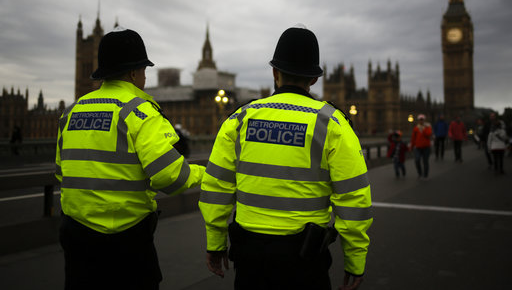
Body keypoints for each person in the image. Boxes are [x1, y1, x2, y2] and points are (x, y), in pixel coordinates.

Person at [199, 26, 372, 290]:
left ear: (274, 72)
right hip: (306, 260)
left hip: (250, 258)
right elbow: (354, 199)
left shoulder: (240, 119)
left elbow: (216, 188)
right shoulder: (333, 124)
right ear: (314, 79)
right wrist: (355, 259)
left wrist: (215, 242)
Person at [55, 27, 205, 289]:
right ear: (135, 72)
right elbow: (170, 177)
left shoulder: (72, 112)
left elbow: (61, 171)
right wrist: (205, 173)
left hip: (76, 239)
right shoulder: (139, 112)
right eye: (144, 71)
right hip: (125, 241)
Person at [410, 114, 432, 178]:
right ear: (418, 120)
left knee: (425, 161)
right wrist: (411, 147)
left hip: (426, 147)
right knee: (417, 160)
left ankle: (425, 174)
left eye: (422, 120)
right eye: (420, 120)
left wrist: (423, 129)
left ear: (424, 120)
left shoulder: (428, 127)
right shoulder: (416, 128)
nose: (421, 121)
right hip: (418, 147)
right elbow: (413, 138)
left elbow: (428, 134)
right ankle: (419, 172)